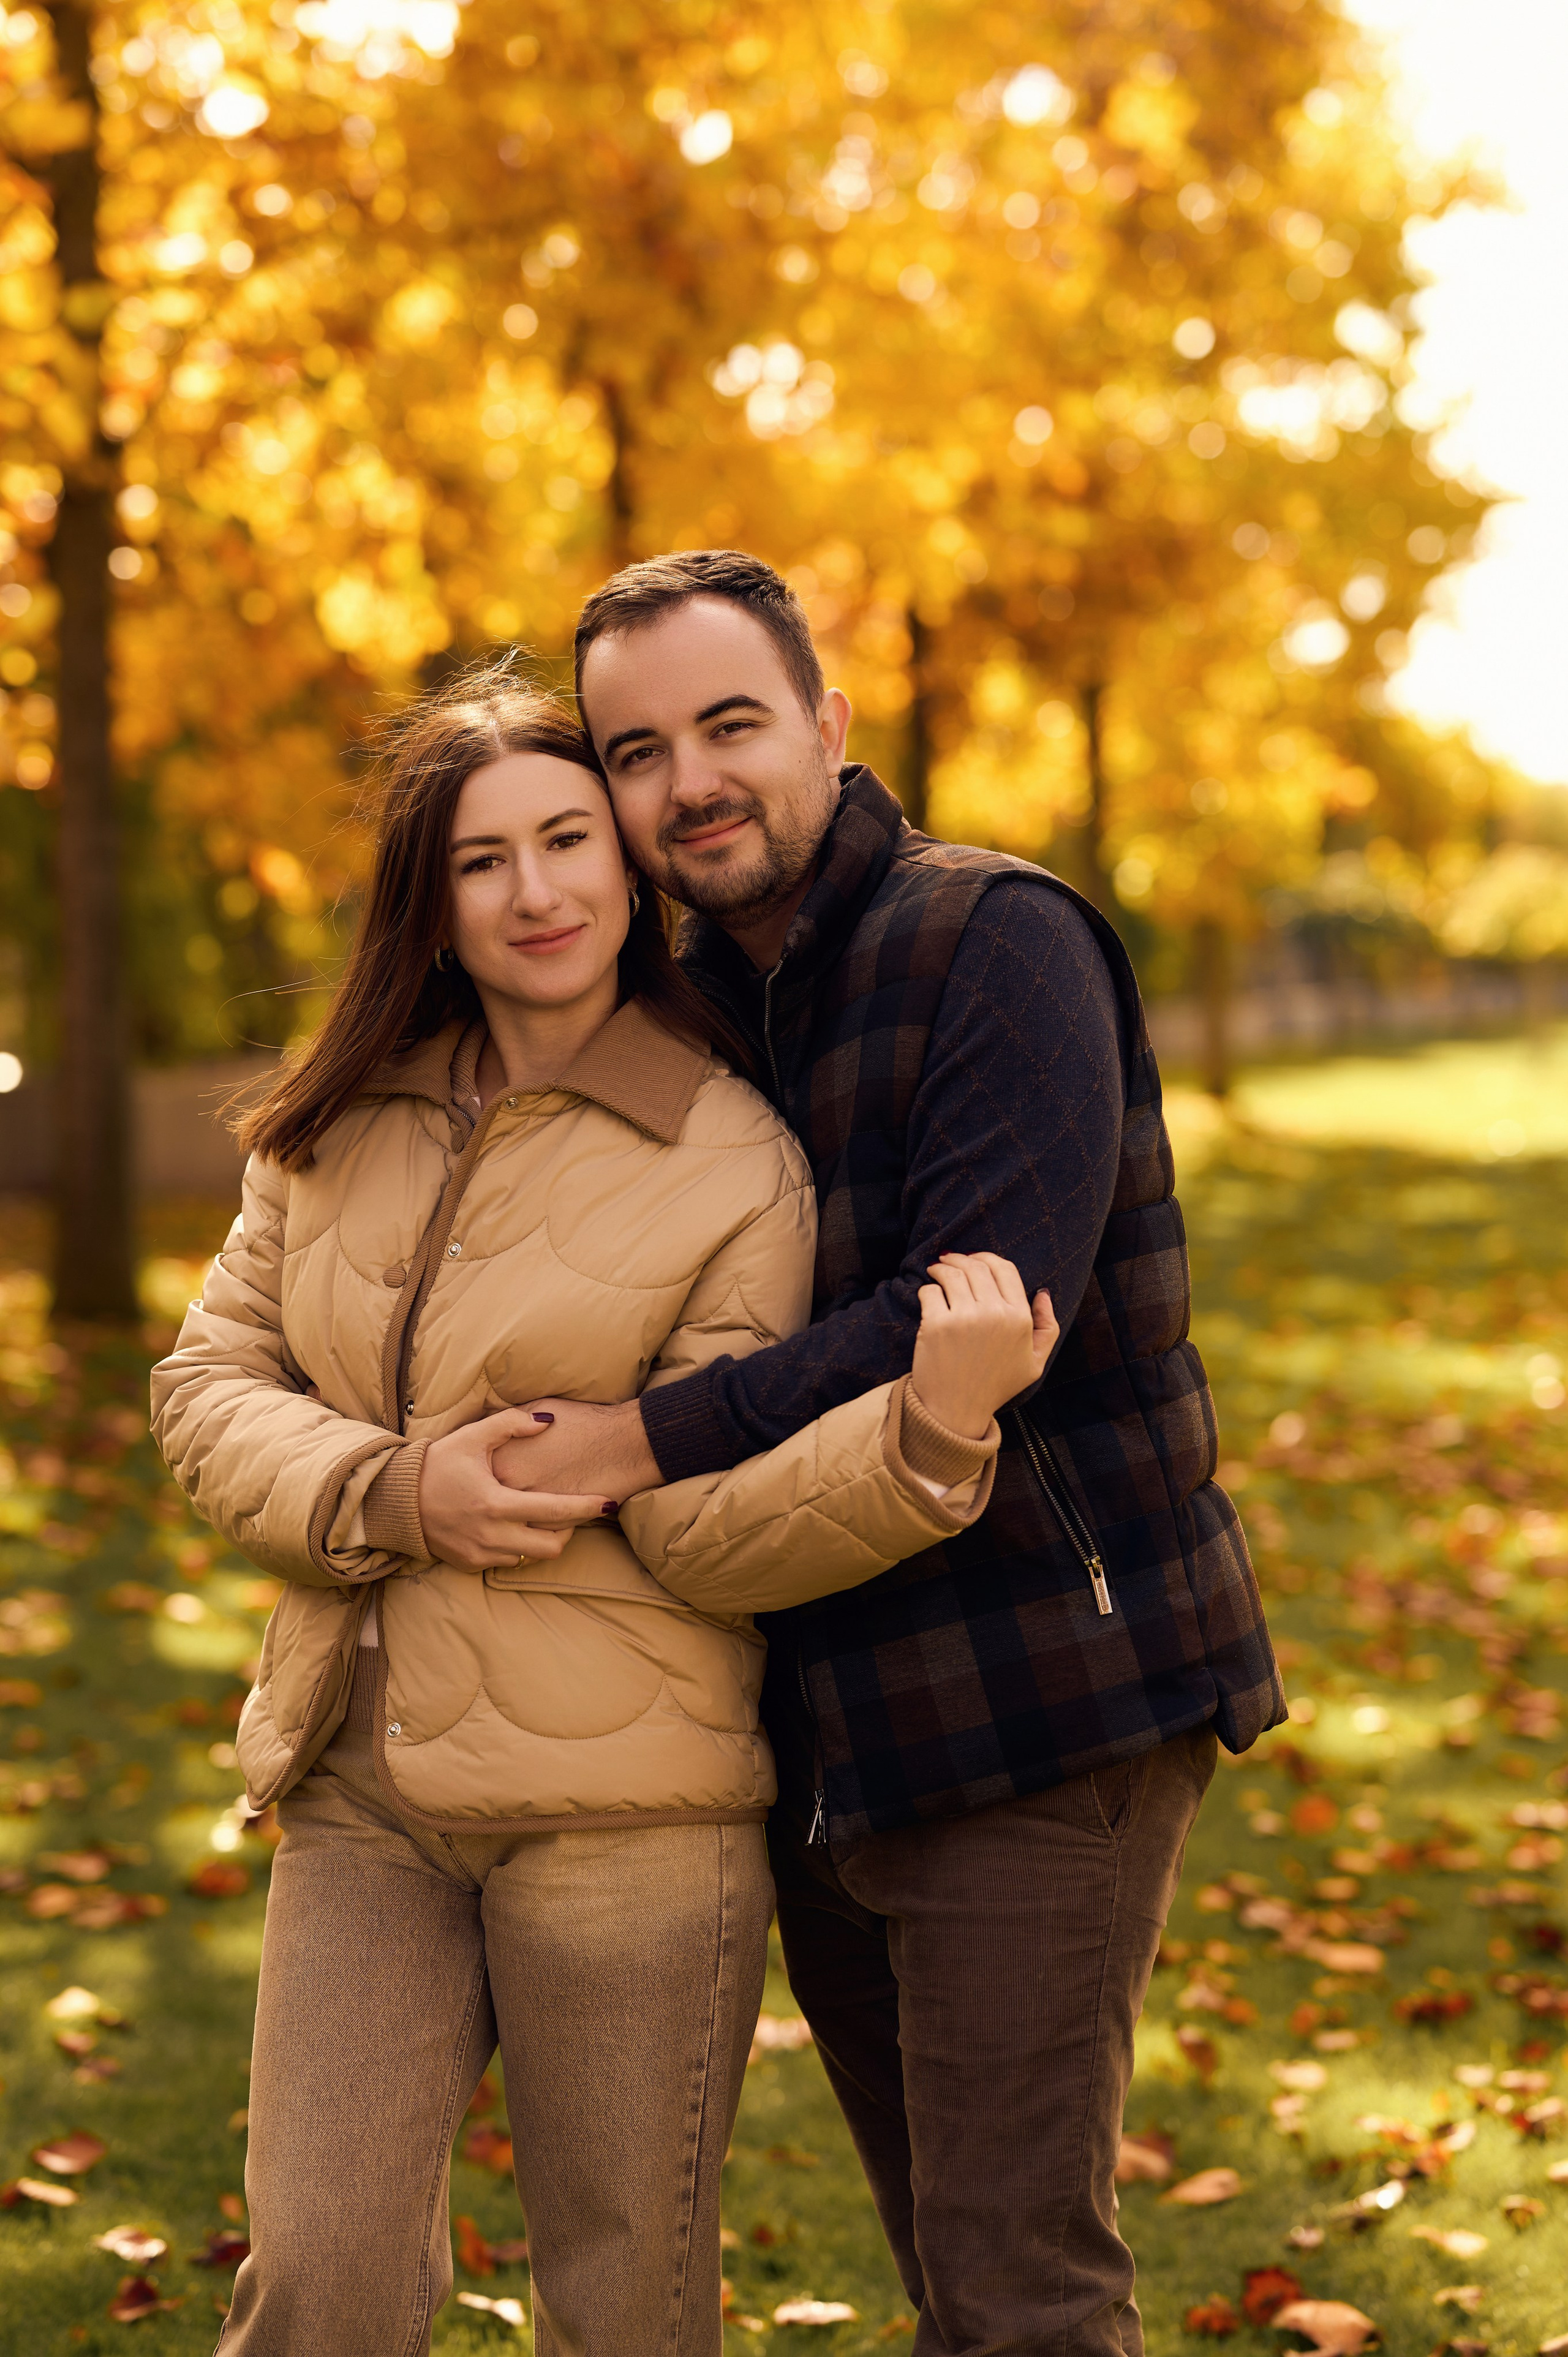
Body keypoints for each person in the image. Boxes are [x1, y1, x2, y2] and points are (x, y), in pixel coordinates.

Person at [149, 668, 1055, 2357]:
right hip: (361, 1788)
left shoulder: (732, 1156)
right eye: (483, 859)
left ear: (628, 872)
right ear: (429, 896)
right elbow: (205, 1390)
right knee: (321, 2286)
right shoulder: (333, 1123)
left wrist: (924, 1438)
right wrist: (386, 1485)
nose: (537, 890)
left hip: (632, 1820)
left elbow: (710, 1525)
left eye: (569, 839)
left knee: (623, 2312)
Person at [482, 552, 1287, 2356]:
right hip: (829, 1722)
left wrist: (632, 1437)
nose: (687, 781)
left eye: (729, 724)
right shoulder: (687, 1014)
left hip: (1042, 1693)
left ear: (829, 728)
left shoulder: (993, 937)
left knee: (1019, 2295)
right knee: (961, 2272)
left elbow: (971, 1308)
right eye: (634, 750)